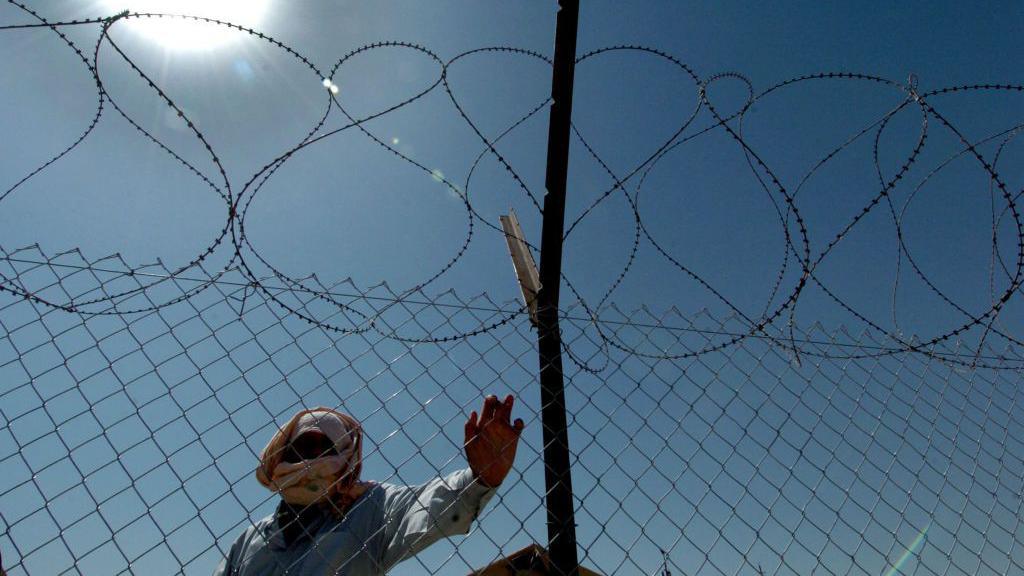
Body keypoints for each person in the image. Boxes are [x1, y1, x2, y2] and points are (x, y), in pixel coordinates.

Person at [214, 394, 525, 575]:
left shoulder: (370, 508)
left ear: (346, 461)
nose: (311, 462)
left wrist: (480, 478)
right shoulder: (249, 541)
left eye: (326, 451)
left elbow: (426, 505)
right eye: (303, 449)